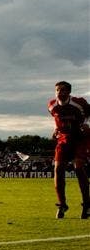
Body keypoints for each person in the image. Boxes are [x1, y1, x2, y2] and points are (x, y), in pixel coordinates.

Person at [47, 80, 90, 219]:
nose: (60, 93)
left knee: (78, 168)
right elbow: (56, 119)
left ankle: (86, 204)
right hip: (64, 140)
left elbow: (88, 114)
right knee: (58, 169)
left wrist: (86, 123)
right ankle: (62, 204)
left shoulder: (79, 103)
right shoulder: (52, 105)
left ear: (69, 92)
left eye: (63, 90)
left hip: (80, 139)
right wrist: (55, 129)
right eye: (58, 90)